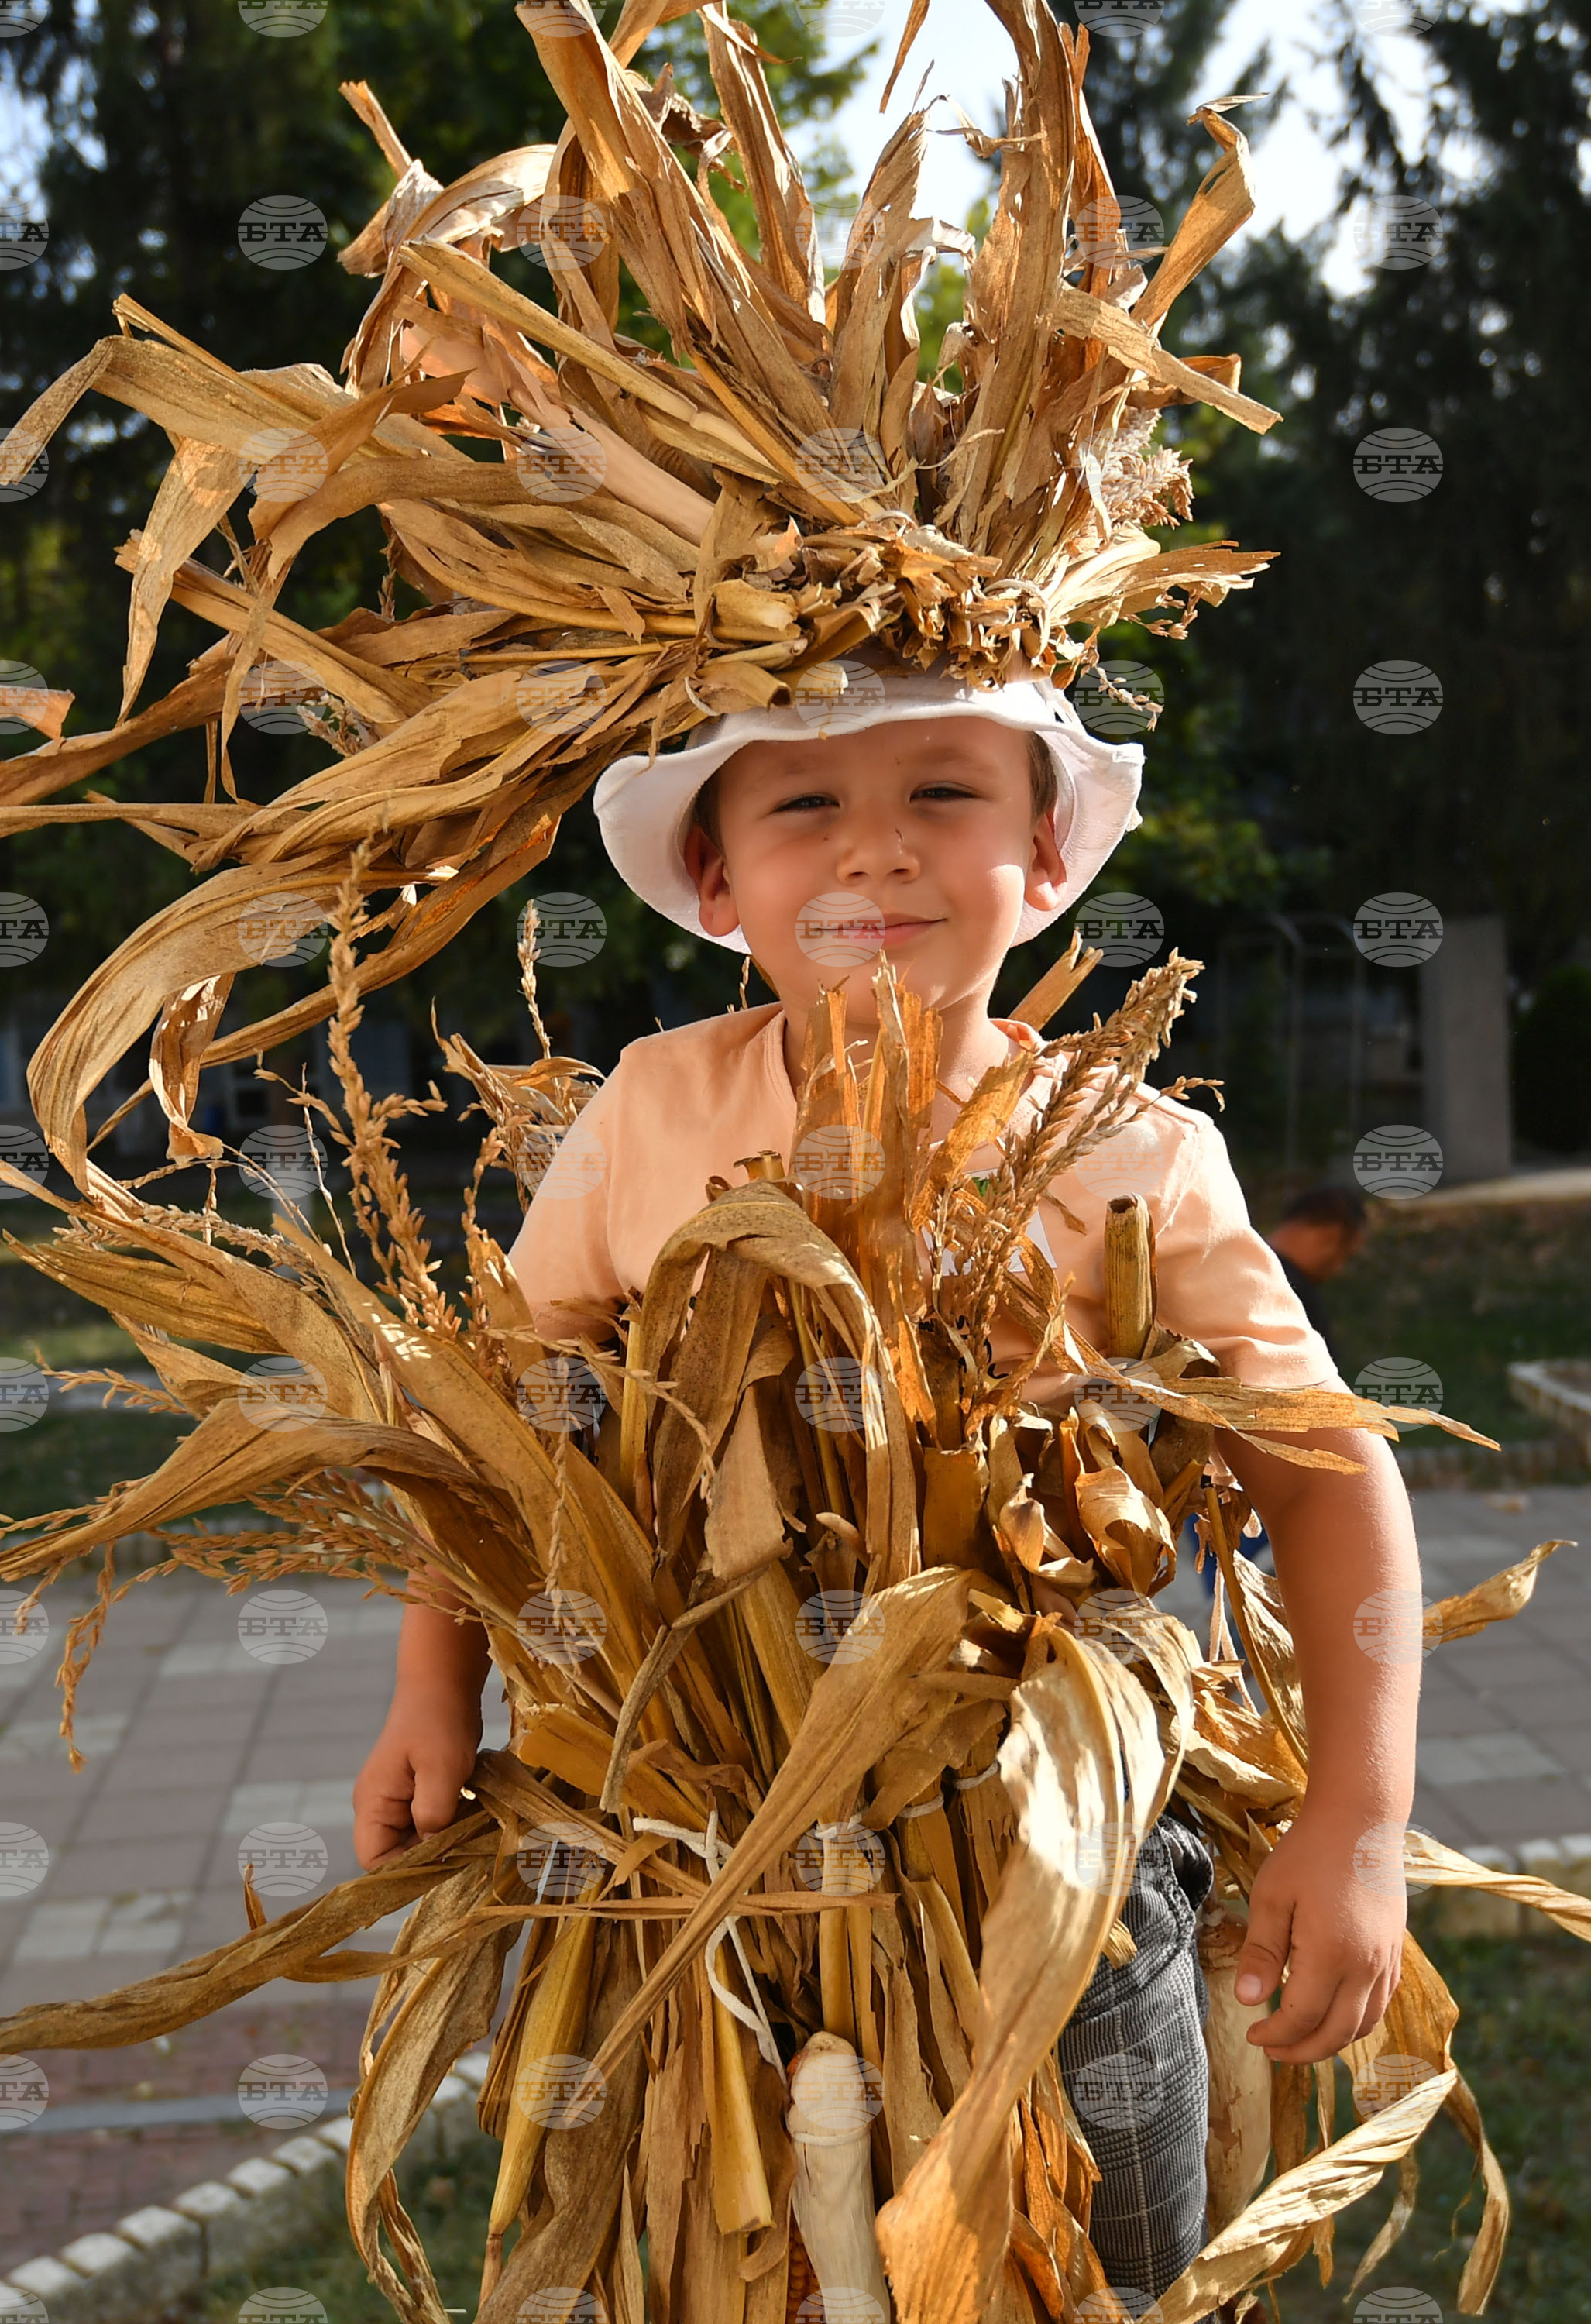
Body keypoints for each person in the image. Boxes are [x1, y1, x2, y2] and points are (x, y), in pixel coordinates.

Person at [352, 654, 1424, 2303]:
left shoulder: (1127, 1147)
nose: (875, 851)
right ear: (716, 878)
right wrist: (437, 1685)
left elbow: (1327, 1468)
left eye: (942, 793)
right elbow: (502, 1415)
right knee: (778, 2263)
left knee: (1112, 2267)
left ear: (1045, 860)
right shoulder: (655, 1110)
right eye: (804, 805)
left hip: (1062, 1859)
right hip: (714, 1850)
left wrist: (1356, 1826)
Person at [1266, 1183, 1369, 1377]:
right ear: (1330, 1236)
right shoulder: (1294, 1292)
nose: (1338, 1269)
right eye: (1345, 1255)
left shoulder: (1231, 1266)